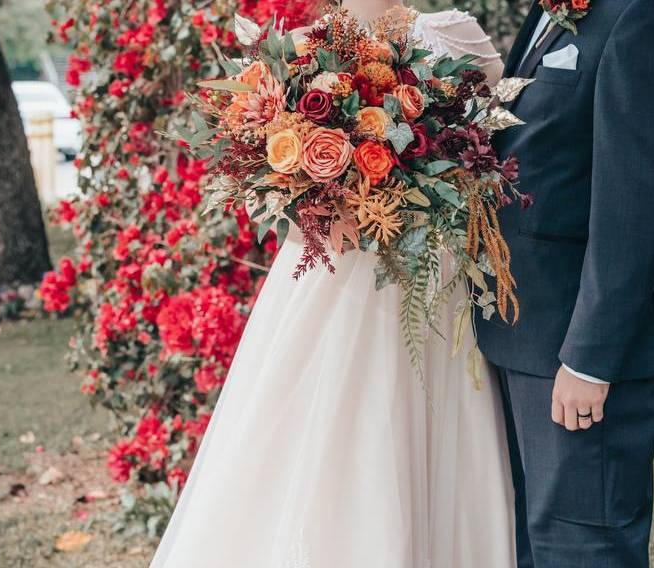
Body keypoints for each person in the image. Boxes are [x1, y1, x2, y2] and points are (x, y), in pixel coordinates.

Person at [150, 2, 518, 567]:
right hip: (325, 282)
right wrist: (320, 204)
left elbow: (493, 155)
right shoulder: (296, 51)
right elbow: (268, 188)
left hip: (426, 281)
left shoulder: (455, 38)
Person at [476, 0, 654, 566]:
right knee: (534, 545)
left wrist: (589, 360)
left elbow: (637, 201)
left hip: (575, 351)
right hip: (520, 337)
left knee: (585, 548)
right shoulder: (553, 10)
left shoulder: (649, 13)